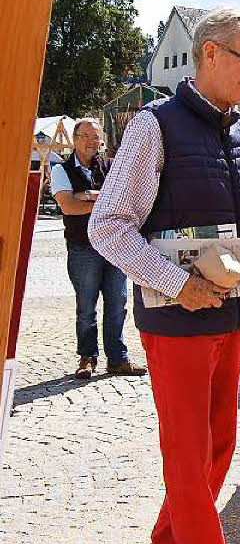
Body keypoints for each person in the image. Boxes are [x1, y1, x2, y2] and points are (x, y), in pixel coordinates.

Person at [89, 8, 240, 544]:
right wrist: (177, 284)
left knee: (221, 443)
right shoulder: (155, 127)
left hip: (229, 317)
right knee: (187, 447)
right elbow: (107, 227)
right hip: (175, 324)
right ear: (208, 54)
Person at [51, 118, 147, 380]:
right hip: (83, 248)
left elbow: (124, 200)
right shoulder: (61, 169)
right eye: (85, 136)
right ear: (74, 139)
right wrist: (102, 199)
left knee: (118, 304)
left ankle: (118, 359)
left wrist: (87, 196)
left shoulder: (111, 166)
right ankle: (87, 358)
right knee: (86, 307)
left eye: (96, 137)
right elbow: (68, 207)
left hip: (114, 246)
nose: (91, 142)